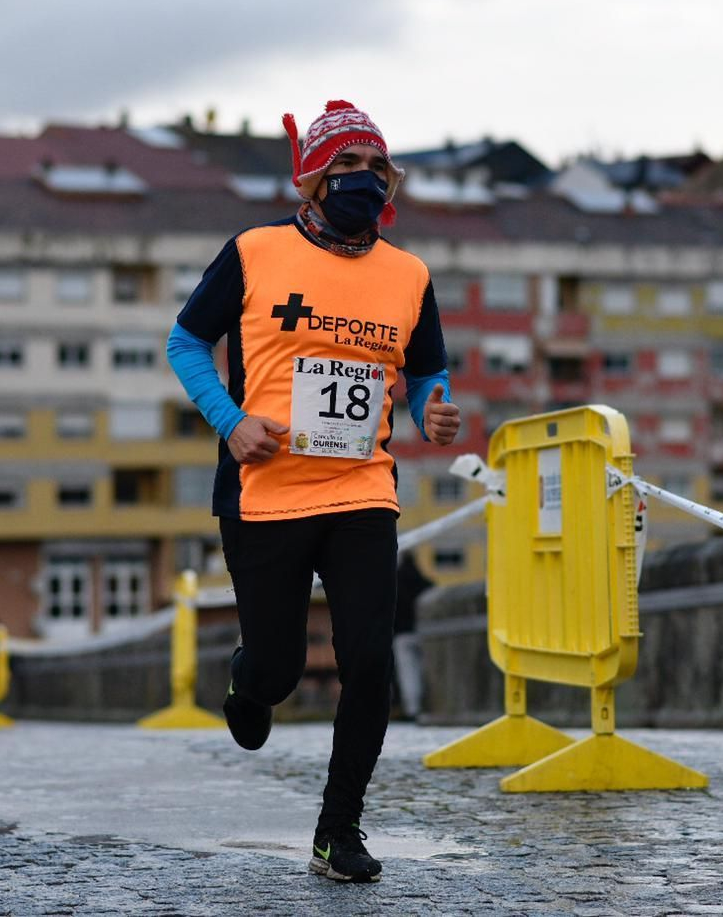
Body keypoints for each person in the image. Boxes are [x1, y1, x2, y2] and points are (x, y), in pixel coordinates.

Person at [167, 100, 460, 883]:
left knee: (369, 660)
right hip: (264, 490)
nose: (363, 180)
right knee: (280, 669)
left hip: (362, 487)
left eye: (376, 168)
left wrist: (434, 405)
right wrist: (230, 422)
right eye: (346, 167)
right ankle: (249, 678)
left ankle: (340, 830)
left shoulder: (409, 273)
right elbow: (187, 340)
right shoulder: (256, 251)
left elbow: (428, 366)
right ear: (313, 180)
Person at [392, 551, 435, 720]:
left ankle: (413, 709)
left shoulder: (395, 583)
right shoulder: (425, 583)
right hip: (425, 633)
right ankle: (430, 705)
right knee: (427, 671)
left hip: (402, 634)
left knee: (407, 673)